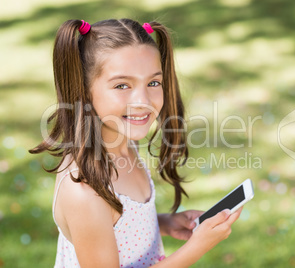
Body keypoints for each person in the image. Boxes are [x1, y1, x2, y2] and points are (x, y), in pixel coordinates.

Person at [29, 18, 243, 268]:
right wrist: (197, 247)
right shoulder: (85, 190)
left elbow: (118, 225)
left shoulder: (123, 145)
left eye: (153, 82)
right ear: (84, 89)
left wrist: (164, 223)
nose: (142, 100)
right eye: (122, 85)